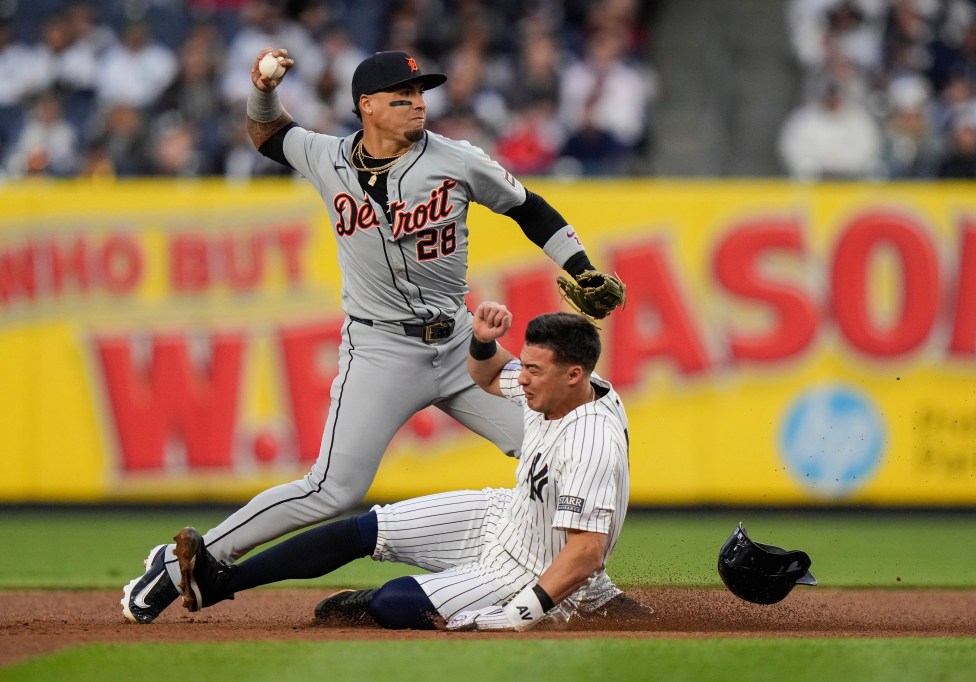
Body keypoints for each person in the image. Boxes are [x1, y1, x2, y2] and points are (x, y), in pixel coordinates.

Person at [121, 48, 629, 624]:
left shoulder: (455, 159)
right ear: (367, 106)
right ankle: (184, 561)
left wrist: (579, 264)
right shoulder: (325, 156)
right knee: (333, 488)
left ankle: (592, 589)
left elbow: (527, 206)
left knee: (557, 437)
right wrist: (262, 87)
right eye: (402, 96)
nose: (418, 104)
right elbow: (266, 133)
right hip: (381, 349)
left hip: (463, 348)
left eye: (421, 94)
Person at [172, 303, 635, 631]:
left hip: (532, 568)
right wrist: (480, 340)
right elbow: (488, 375)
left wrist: (521, 611)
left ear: (575, 375)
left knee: (396, 602)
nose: (523, 377)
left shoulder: (592, 440)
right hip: (505, 516)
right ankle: (220, 581)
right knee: (361, 530)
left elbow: (586, 552)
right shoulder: (558, 387)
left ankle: (364, 603)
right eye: (527, 364)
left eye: (534, 369)